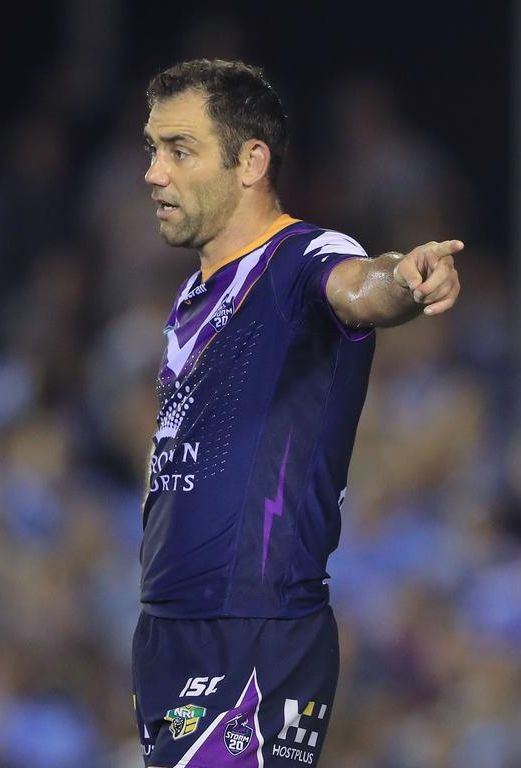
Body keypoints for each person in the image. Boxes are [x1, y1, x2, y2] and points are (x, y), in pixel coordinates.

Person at [133, 58, 461, 767]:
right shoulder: (194, 297)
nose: (154, 172)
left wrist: (401, 280)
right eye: (153, 149)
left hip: (252, 631)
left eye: (179, 149)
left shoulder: (302, 257)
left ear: (251, 159)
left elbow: (358, 286)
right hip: (171, 629)